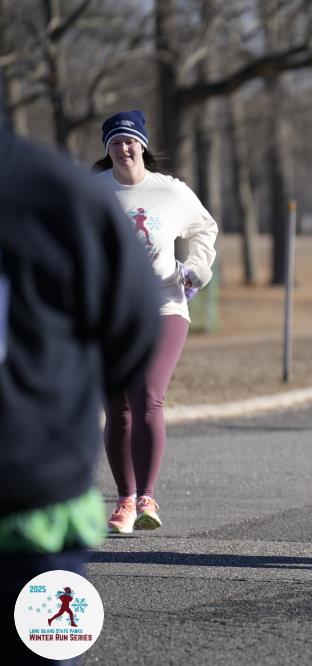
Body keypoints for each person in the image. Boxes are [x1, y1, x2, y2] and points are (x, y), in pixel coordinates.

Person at [0, 126, 160, 664]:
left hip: (31, 518)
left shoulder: (60, 194)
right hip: (36, 491)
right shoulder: (63, 189)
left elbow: (133, 324)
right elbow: (131, 334)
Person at [93, 110, 218, 533]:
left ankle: (147, 498)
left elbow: (205, 229)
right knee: (117, 407)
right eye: (115, 142)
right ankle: (125, 500)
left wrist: (196, 269)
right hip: (108, 312)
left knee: (147, 396)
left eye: (130, 141)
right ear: (107, 149)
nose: (123, 149)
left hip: (163, 306)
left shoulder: (171, 192)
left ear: (142, 145)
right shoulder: (92, 192)